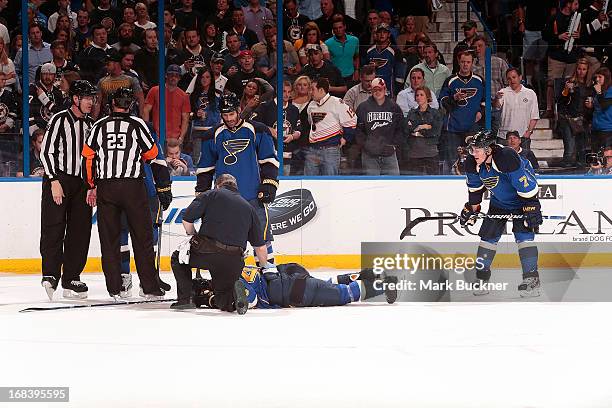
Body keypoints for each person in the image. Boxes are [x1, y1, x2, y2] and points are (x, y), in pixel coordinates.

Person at [82, 87, 171, 300]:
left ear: (111, 104)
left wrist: (92, 184)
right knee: (142, 237)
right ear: (130, 105)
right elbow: (152, 153)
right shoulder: (138, 124)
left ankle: (115, 288)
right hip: (132, 186)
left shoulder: (99, 125)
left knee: (109, 238)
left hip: (107, 187)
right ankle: (149, 287)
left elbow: (88, 156)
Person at [196, 93, 279, 265]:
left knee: (262, 241)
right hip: (224, 200)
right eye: (225, 115)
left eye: (232, 114)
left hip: (253, 196)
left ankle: (268, 277)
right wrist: (202, 194)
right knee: (226, 243)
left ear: (239, 110)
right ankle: (231, 282)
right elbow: (205, 169)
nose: (229, 119)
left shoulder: (258, 130)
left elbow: (269, 160)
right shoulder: (212, 136)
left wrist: (269, 183)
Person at [460, 131, 543, 297]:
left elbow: (526, 185)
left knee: (523, 236)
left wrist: (532, 205)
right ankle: (482, 279)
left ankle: (532, 280)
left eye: (477, 150)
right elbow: (475, 190)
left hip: (522, 200)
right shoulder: (472, 162)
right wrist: (473, 208)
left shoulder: (507, 157)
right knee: (488, 237)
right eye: (472, 150)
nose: (473, 153)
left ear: (489, 150)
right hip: (499, 202)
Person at [170, 174, 269, 313]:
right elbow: (260, 246)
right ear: (236, 187)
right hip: (234, 260)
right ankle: (233, 297)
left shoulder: (211, 194)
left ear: (217, 185)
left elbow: (187, 219)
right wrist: (264, 268)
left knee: (178, 258)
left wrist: (193, 236)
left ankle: (185, 299)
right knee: (223, 299)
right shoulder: (249, 208)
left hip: (207, 252)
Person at [39, 80, 97, 301]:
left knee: (80, 231)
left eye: (92, 98)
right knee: (53, 227)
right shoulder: (59, 119)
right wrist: (53, 180)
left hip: (82, 183)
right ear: (75, 99)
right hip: (59, 180)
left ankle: (72, 276)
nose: (91, 102)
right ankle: (51, 274)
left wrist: (93, 185)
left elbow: (94, 158)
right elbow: (47, 151)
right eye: (87, 98)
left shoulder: (91, 124)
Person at [190, 262, 398, 310]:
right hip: (294, 280)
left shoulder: (238, 281)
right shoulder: (245, 268)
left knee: (343, 295)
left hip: (294, 293)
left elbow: (250, 300)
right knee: (328, 284)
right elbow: (273, 267)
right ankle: (368, 273)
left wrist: (215, 301)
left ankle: (382, 285)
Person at [438, 51, 484, 174]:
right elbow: (443, 102)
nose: (465, 64)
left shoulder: (479, 80)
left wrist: (481, 112)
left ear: (472, 63)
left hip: (472, 128)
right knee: (451, 161)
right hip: (452, 128)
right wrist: (455, 99)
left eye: (468, 62)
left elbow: (485, 101)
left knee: (473, 158)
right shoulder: (451, 80)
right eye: (463, 62)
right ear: (459, 62)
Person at [305, 77, 357, 175]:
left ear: (321, 90)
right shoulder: (311, 105)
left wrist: (346, 138)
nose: (310, 92)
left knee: (330, 182)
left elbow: (352, 119)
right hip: (313, 149)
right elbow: (311, 124)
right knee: (309, 181)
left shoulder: (337, 103)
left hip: (330, 150)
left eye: (313, 89)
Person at [355, 78, 403, 175]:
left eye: (380, 89)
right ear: (371, 91)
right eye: (375, 90)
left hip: (389, 154)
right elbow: (358, 130)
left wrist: (393, 145)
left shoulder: (394, 107)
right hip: (369, 155)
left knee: (393, 185)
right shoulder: (363, 107)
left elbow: (401, 128)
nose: (377, 92)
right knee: (372, 186)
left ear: (385, 90)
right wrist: (366, 145)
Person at [542, 0, 581, 118]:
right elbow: (545, 35)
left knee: (569, 84)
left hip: (571, 57)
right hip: (556, 56)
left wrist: (579, 36)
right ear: (568, 4)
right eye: (575, 4)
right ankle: (549, 109)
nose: (577, 6)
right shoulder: (554, 17)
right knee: (551, 83)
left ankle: (565, 109)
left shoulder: (577, 18)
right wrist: (558, 36)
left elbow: (581, 36)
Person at [255, 80, 302, 175]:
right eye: (284, 91)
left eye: (289, 92)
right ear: (277, 91)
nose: (286, 95)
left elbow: (299, 129)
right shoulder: (265, 107)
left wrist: (292, 136)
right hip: (268, 155)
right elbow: (254, 125)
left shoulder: (294, 110)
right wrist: (269, 129)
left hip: (287, 155)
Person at [143, 64, 191, 145]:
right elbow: (146, 110)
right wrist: (147, 132)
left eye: (176, 75)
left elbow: (185, 119)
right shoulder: (154, 90)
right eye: (171, 75)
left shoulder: (184, 96)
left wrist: (181, 137)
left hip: (175, 138)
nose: (173, 77)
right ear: (166, 75)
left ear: (179, 78)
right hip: (156, 135)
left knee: (174, 157)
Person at [494, 67, 539, 149]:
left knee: (523, 161)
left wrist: (528, 132)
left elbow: (534, 116)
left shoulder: (530, 93)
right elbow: (497, 107)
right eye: (509, 79)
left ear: (520, 77)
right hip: (504, 136)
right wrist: (497, 98)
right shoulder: (503, 92)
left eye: (514, 77)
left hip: (522, 136)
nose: (512, 80)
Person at [557, 58, 591, 167]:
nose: (581, 71)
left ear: (587, 70)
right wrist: (566, 91)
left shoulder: (590, 85)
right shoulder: (569, 82)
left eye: (584, 69)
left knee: (582, 149)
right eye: (579, 69)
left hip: (583, 119)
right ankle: (565, 176)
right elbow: (560, 101)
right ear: (576, 69)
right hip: (568, 118)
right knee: (570, 150)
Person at [403, 85, 443, 175]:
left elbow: (436, 132)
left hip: (431, 154)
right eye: (417, 95)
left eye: (421, 95)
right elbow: (408, 130)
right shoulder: (411, 113)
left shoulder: (435, 113)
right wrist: (425, 126)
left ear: (427, 96)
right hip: (414, 154)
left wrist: (418, 130)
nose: (419, 97)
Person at [94, 48, 144, 119]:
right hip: (108, 118)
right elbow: (97, 103)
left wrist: (141, 117)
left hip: (128, 118)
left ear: (116, 64)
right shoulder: (102, 81)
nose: (106, 66)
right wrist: (93, 120)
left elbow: (140, 98)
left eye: (108, 63)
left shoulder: (131, 79)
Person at [363, 23, 405, 96]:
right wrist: (369, 68)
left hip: (389, 90)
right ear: (376, 34)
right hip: (371, 89)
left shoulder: (395, 51)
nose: (382, 34)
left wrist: (397, 92)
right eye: (379, 32)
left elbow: (399, 76)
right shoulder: (368, 50)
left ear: (389, 34)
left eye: (384, 32)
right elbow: (363, 70)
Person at [29, 62, 65, 137]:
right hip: (36, 131)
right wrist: (34, 129)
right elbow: (27, 110)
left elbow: (60, 112)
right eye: (45, 74)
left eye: (51, 74)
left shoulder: (57, 93)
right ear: (40, 75)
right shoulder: (33, 89)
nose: (47, 77)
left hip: (53, 132)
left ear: (55, 76)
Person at [325, 14, 360, 85]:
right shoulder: (327, 43)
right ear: (333, 30)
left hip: (351, 76)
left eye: (340, 27)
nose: (338, 30)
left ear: (345, 27)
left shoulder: (354, 40)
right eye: (335, 28)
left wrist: (356, 71)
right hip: (335, 78)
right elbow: (327, 63)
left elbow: (356, 57)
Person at [585, 67, 612, 153]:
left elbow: (604, 105)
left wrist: (599, 93)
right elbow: (597, 108)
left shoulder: (610, 91)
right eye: (596, 77)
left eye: (600, 77)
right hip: (595, 127)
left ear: (606, 78)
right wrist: (590, 106)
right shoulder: (597, 92)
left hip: (607, 129)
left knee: (605, 156)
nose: (597, 79)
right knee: (595, 156)